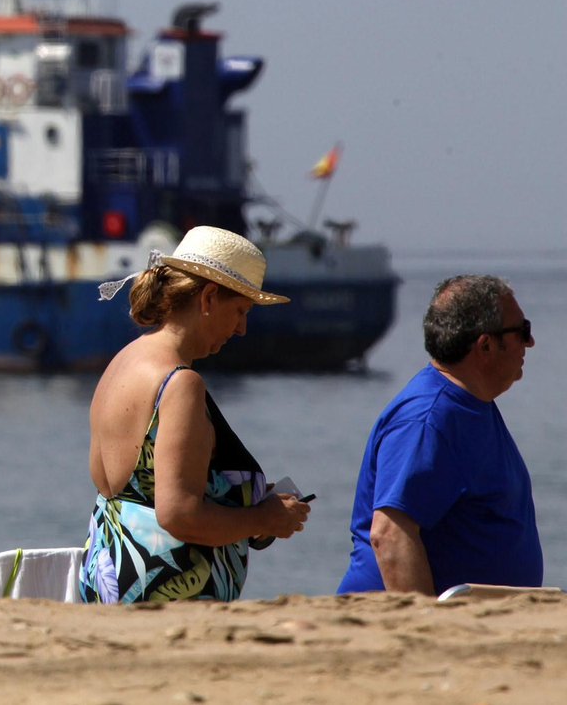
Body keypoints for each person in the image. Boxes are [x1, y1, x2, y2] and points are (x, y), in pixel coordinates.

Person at [79, 226, 311, 603]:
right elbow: (179, 516)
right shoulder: (179, 384)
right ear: (208, 298)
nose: (241, 329)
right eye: (239, 311)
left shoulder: (122, 363)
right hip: (163, 601)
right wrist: (263, 519)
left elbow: (142, 491)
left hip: (108, 583)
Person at [337, 275, 541, 595]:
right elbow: (389, 534)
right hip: (396, 625)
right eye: (522, 331)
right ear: (485, 345)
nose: (530, 342)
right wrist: (428, 627)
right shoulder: (427, 420)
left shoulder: (471, 405)